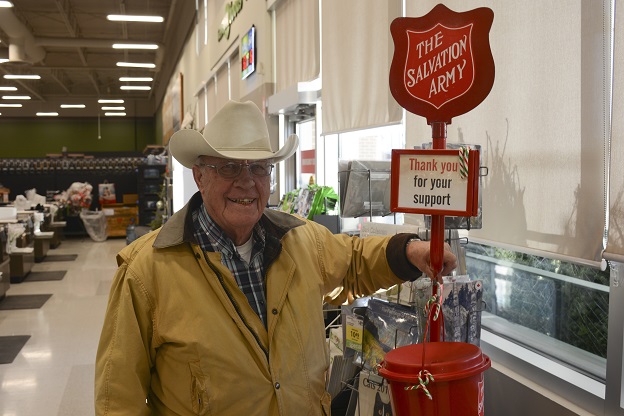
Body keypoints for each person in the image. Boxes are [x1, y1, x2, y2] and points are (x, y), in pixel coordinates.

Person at [94, 100, 457, 415]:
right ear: (200, 176)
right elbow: (117, 400)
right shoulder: (146, 271)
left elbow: (353, 261)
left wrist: (409, 251)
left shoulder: (300, 239)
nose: (246, 181)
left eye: (258, 167)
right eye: (229, 167)